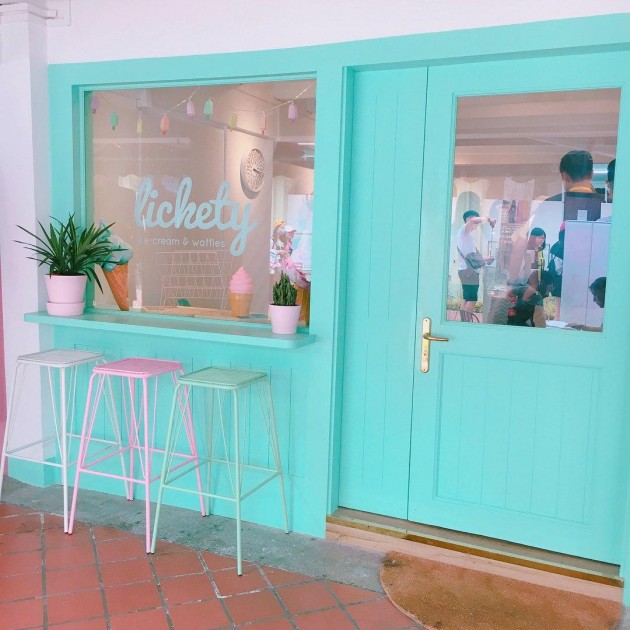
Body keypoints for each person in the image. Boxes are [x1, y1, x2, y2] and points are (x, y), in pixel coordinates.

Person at [456, 210, 495, 315]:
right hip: (469, 272)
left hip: (465, 270)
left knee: (466, 298)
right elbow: (473, 220)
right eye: (477, 221)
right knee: (472, 299)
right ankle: (466, 321)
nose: (478, 223)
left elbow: (473, 259)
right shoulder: (464, 231)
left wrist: (485, 260)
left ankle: (463, 321)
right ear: (469, 220)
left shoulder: (466, 235)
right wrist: (489, 219)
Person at [546, 223, 565, 314]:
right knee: (559, 304)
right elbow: (559, 266)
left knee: (558, 304)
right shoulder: (565, 246)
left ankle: (557, 318)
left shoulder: (556, 245)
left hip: (556, 278)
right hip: (560, 279)